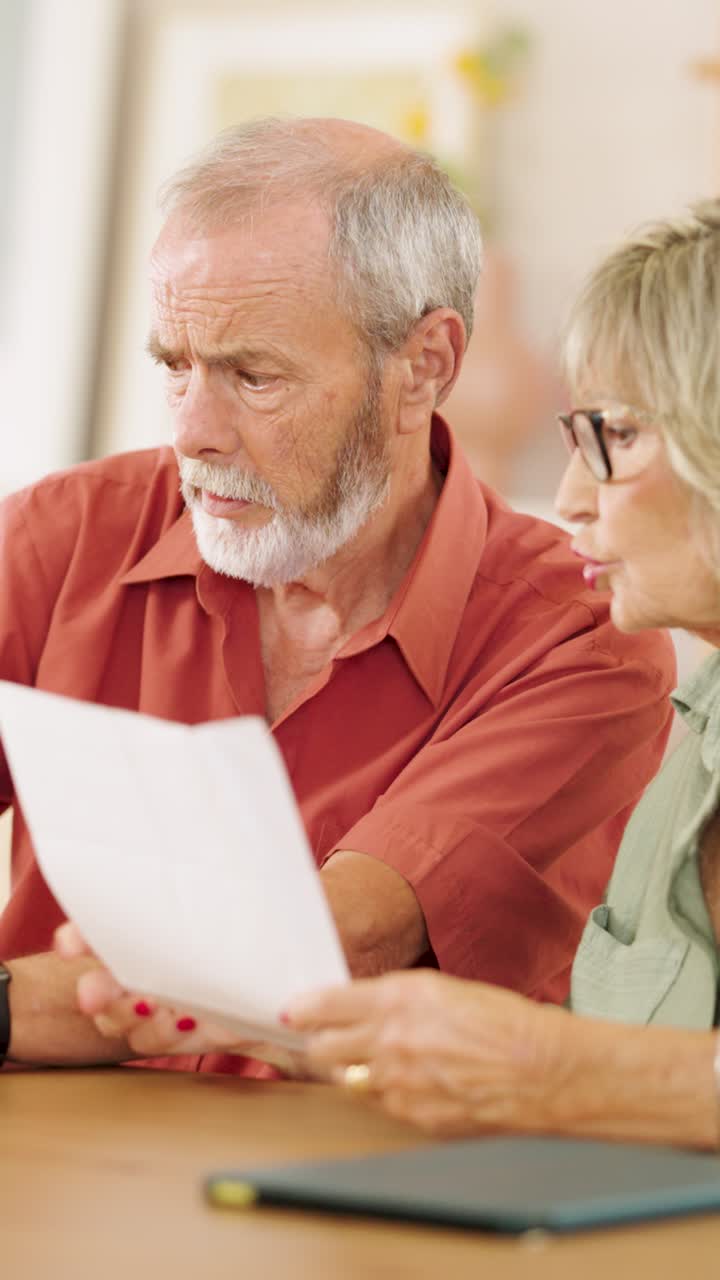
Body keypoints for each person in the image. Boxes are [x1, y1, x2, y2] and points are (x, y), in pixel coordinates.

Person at [0, 118, 673, 1076]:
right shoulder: (63, 537)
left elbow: (310, 957)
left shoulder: (579, 638)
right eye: (174, 366)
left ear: (425, 366)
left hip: (371, 1195)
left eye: (253, 375)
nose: (193, 432)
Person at [280, 200, 720, 1150]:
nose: (570, 499)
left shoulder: (589, 656)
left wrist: (548, 1068)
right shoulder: (696, 736)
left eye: (618, 437)